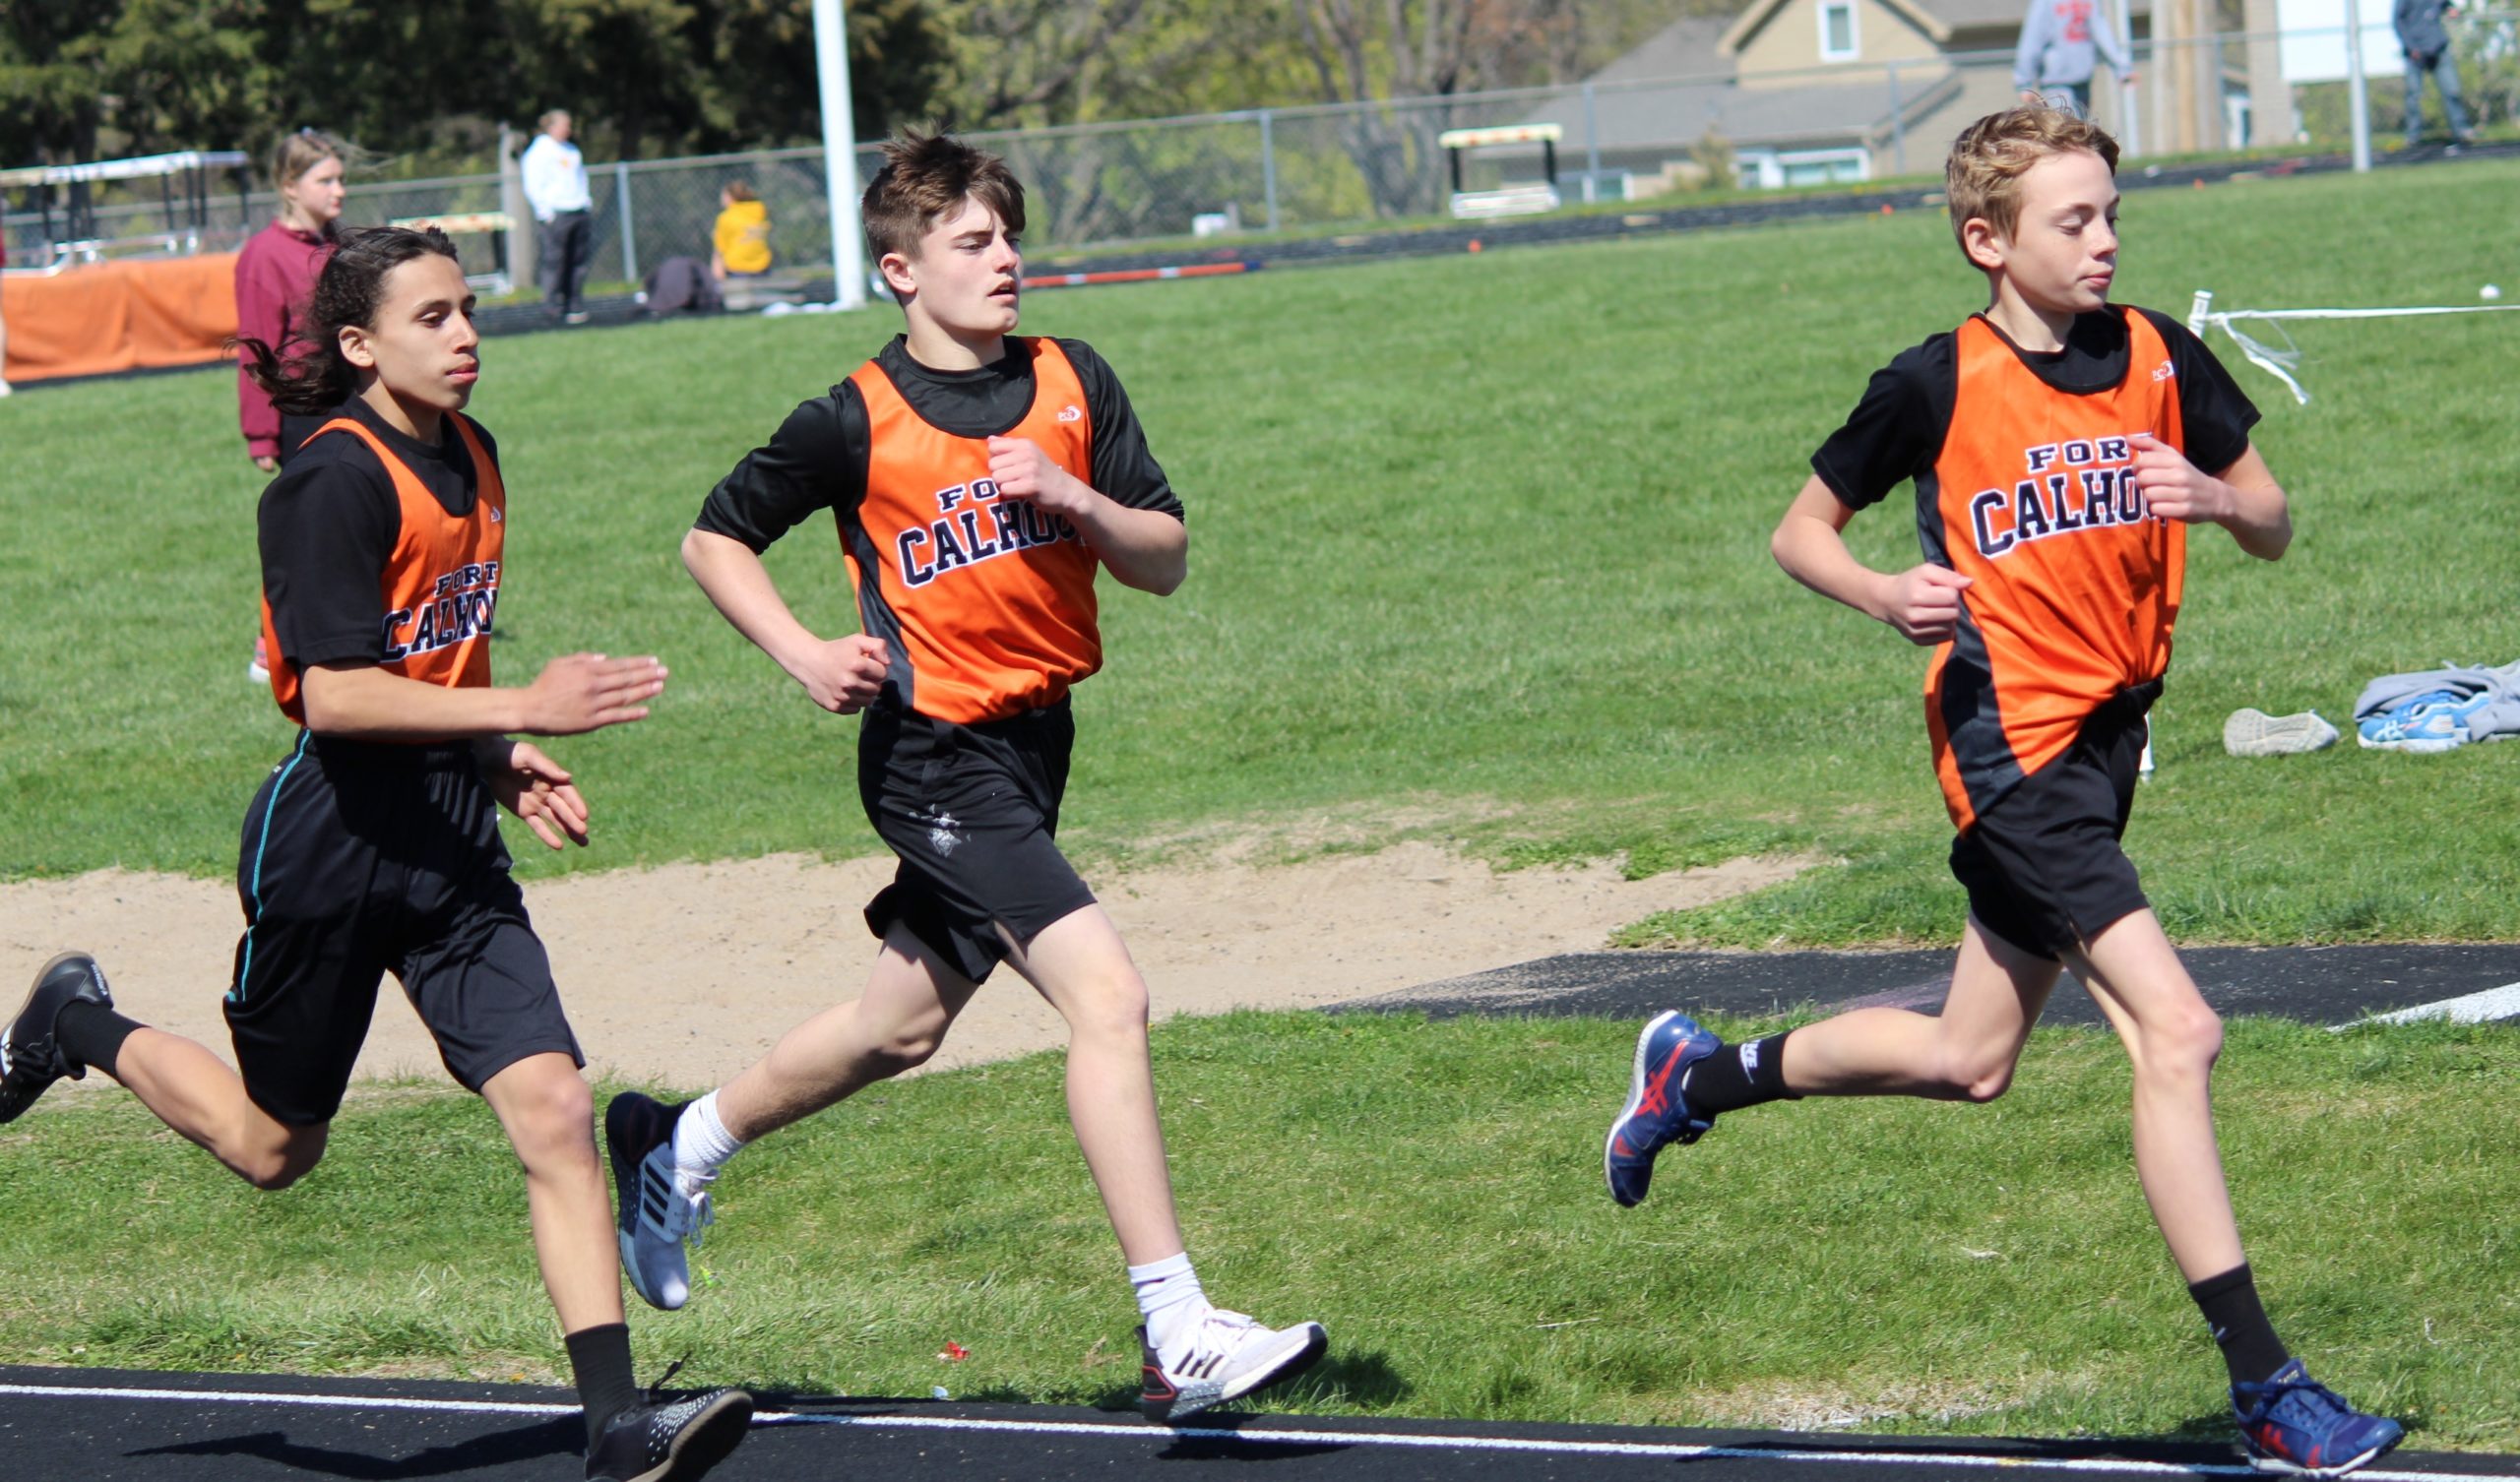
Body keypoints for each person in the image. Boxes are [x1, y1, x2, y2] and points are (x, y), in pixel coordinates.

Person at [1602, 106, 2404, 1479]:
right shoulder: (1935, 382)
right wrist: (1879, 591)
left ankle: (1697, 1076)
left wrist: (2215, 502)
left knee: (1968, 1060)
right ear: (1988, 240)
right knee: (2180, 1030)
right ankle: (2266, 1384)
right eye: (2071, 220)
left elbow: (2272, 519)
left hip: (2107, 749)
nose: (2104, 242)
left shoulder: (2161, 353)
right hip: (2011, 751)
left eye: (2111, 215)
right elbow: (1800, 531)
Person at [0, 225, 750, 1482]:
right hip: (331, 849)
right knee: (272, 1150)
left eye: (470, 309)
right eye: (432, 317)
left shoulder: (475, 452)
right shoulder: (327, 483)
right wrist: (525, 707)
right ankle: (72, 1021)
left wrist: (494, 755)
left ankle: (617, 1425)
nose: (465, 336)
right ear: (360, 344)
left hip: (449, 845)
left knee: (556, 1107)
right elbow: (336, 695)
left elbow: (434, 655)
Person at [607, 130, 1327, 1425]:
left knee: (901, 1027)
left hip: (1036, 745)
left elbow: (1163, 558)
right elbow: (713, 539)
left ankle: (679, 1141)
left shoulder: (1071, 377)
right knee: (1110, 996)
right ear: (902, 268)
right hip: (932, 754)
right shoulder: (852, 418)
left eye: (1009, 238)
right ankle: (1176, 1327)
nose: (1005, 261)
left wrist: (1075, 499)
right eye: (973, 242)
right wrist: (802, 651)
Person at [236, 129, 348, 684]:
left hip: (349, 402)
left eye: (341, 179)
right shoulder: (263, 255)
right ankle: (273, 646)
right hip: (301, 414)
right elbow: (256, 350)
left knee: (356, 523)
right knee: (307, 530)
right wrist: (260, 434)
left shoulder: (338, 245)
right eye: (325, 180)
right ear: (289, 185)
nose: (339, 190)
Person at [522, 110, 595, 324]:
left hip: (578, 209)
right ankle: (552, 307)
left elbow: (581, 178)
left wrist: (585, 202)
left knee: (578, 261)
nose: (568, 130)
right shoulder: (540, 151)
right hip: (557, 213)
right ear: (551, 127)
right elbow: (533, 183)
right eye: (565, 125)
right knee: (555, 261)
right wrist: (544, 211)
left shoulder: (572, 150)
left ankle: (574, 304)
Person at [2013, 0, 2134, 117]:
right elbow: (2032, 39)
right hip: (2056, 83)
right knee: (2067, 127)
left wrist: (2122, 68)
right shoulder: (2045, 2)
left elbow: (2101, 31)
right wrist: (2024, 84)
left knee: (2082, 127)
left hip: (2082, 79)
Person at [2394, 0, 2475, 147]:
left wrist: (2451, 9)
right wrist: (2411, 46)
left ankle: (2462, 130)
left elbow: (2445, 4)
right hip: (2415, 53)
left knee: (2452, 91)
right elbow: (2398, 21)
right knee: (2413, 95)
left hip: (2438, 49)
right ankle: (2413, 136)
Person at [710, 181, 772, 282]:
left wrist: (717, 269)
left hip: (737, 269)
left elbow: (720, 248)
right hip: (763, 267)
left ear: (730, 197)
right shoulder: (760, 211)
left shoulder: (727, 217)